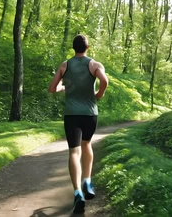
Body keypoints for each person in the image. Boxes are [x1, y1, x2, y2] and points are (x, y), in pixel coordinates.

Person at [48, 34, 109, 214]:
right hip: (90, 114)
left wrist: (63, 87)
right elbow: (104, 81)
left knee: (74, 151)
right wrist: (99, 94)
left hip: (71, 115)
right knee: (87, 144)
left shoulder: (65, 65)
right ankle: (87, 181)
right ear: (87, 47)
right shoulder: (95, 65)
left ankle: (77, 193)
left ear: (73, 48)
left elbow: (52, 88)